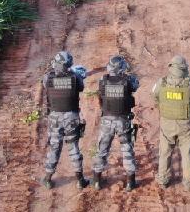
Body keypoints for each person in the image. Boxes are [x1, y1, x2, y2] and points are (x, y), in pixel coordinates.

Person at [40, 51, 89, 190]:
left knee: (55, 147)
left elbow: (46, 84)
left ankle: (48, 179)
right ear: (69, 64)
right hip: (71, 117)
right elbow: (81, 87)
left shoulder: (47, 78)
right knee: (73, 147)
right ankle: (80, 180)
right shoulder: (75, 77)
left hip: (55, 117)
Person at [153, 55, 190, 190]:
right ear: (184, 68)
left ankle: (163, 179)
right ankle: (189, 182)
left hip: (167, 123)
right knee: (187, 152)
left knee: (165, 151)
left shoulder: (161, 82)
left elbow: (155, 96)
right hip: (185, 124)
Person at [92, 55, 140, 190]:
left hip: (107, 120)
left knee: (102, 149)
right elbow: (136, 84)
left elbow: (100, 95)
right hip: (123, 120)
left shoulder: (103, 80)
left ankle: (96, 180)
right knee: (127, 149)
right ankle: (131, 182)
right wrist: (128, 73)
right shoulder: (128, 80)